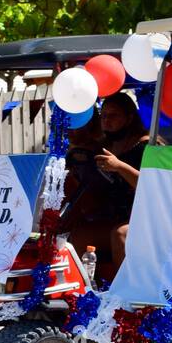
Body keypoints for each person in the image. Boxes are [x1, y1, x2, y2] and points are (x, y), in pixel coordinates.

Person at [61, 91, 147, 272]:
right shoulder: (102, 147)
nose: (106, 120)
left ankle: (125, 295)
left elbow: (151, 187)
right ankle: (89, 291)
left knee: (120, 235)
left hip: (145, 218)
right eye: (104, 116)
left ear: (129, 117)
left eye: (113, 115)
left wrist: (119, 166)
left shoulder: (146, 146)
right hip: (115, 215)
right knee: (79, 236)